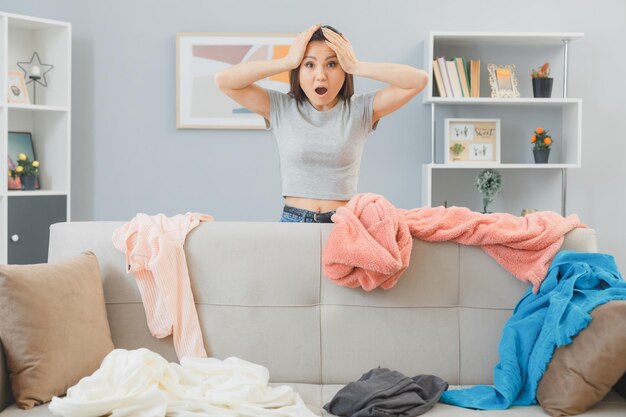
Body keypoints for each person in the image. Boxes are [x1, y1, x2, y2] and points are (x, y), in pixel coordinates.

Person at [215, 24, 428, 222]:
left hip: (343, 223)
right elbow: (225, 81)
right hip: (294, 221)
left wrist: (356, 65)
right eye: (309, 64)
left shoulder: (360, 110)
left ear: (344, 69)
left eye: (332, 64)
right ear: (298, 71)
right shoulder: (281, 108)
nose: (321, 76)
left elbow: (419, 80)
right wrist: (287, 61)